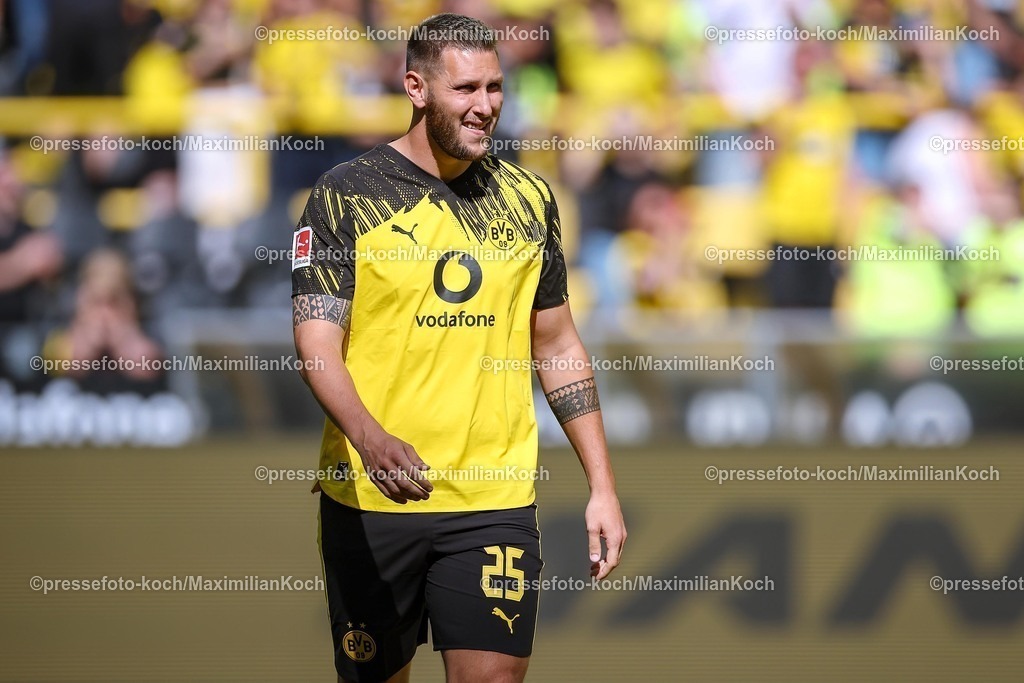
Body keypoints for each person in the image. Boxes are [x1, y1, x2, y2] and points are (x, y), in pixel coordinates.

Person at [290, 13, 626, 683]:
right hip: (374, 498)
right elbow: (317, 343)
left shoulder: (529, 198)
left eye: (496, 88)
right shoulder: (345, 196)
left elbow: (557, 343)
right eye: (466, 89)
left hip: (491, 499)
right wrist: (370, 436)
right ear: (416, 87)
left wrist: (602, 484)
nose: (485, 107)